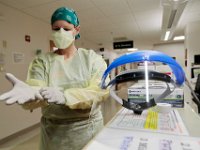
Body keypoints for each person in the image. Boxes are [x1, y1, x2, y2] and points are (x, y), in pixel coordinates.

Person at [0, 7, 109, 150]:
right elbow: (35, 88)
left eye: (66, 28)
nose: (61, 33)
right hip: (53, 135)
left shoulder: (92, 59)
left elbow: (99, 91)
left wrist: (65, 96)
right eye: (56, 29)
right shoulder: (41, 62)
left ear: (76, 30)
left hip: (88, 130)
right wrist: (31, 95)